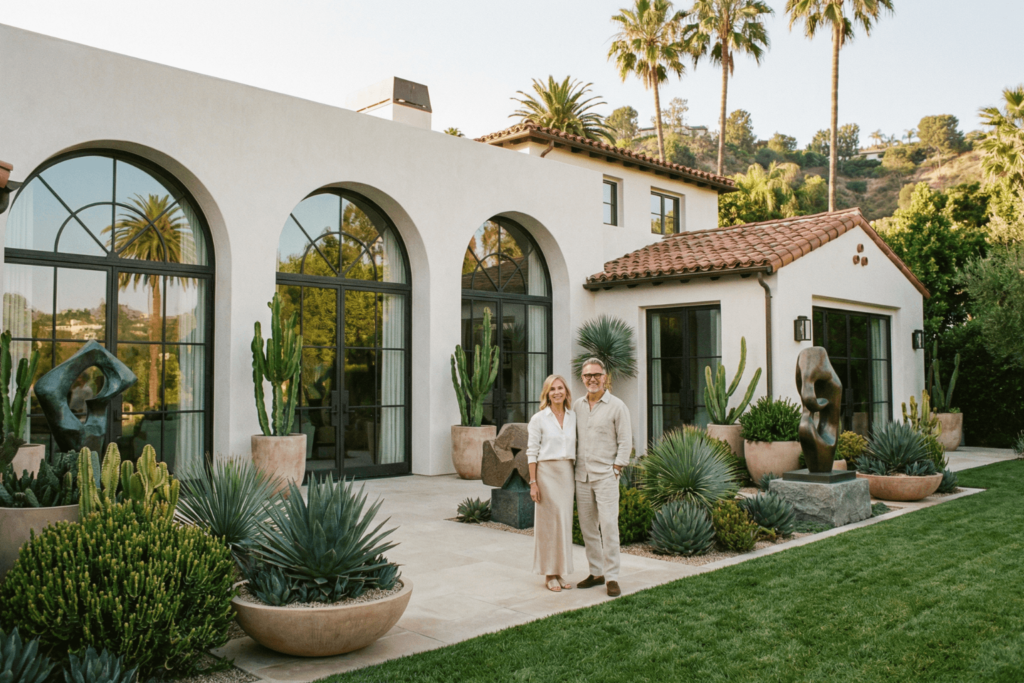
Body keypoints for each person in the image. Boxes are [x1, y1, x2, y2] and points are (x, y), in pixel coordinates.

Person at [573, 357, 632, 597]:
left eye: (596, 375)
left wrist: (617, 468)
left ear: (605, 377)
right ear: (582, 378)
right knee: (588, 528)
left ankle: (612, 577)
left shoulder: (617, 406)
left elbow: (625, 441)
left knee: (609, 527)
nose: (592, 379)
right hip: (582, 477)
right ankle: (596, 572)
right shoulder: (576, 405)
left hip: (606, 476)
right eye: (588, 375)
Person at [526, 374, 577, 593]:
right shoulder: (539, 418)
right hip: (546, 474)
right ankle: (549, 573)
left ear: (566, 391)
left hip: (566, 474)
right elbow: (531, 452)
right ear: (547, 393)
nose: (557, 392)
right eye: (552, 389)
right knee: (548, 525)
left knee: (563, 523)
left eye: (560, 388)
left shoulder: (573, 416)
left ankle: (560, 570)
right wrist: (533, 482)